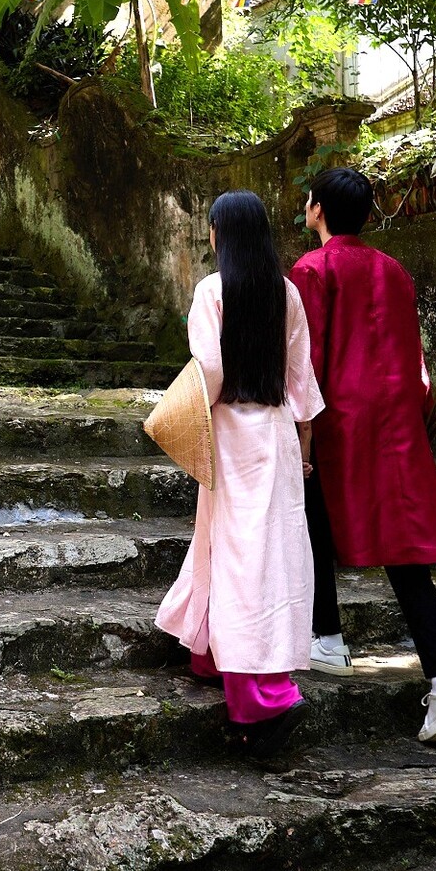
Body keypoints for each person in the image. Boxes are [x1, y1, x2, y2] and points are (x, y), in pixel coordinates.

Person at [290, 166, 436, 744]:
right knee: (403, 551)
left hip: (340, 416)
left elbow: (308, 358)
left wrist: (301, 428)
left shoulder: (311, 269)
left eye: (308, 201)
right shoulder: (393, 269)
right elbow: (412, 351)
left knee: (311, 510)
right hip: (397, 416)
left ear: (318, 209)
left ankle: (328, 637)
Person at [156, 190, 326, 752]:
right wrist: (305, 447)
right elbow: (301, 382)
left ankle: (264, 698)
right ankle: (208, 653)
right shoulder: (288, 295)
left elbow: (209, 368)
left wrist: (178, 418)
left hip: (227, 433)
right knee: (264, 554)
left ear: (219, 234)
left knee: (232, 552)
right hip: (275, 434)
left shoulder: (212, 290)